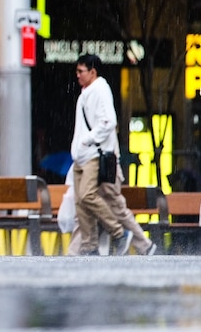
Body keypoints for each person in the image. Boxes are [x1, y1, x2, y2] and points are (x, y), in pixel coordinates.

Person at [70, 54, 133, 256]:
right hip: (82, 155)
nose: (77, 75)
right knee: (80, 201)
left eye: (81, 71)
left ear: (93, 72)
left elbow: (109, 122)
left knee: (87, 195)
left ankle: (118, 233)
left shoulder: (100, 90)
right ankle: (89, 246)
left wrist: (88, 139)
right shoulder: (86, 92)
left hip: (92, 154)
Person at [61, 164, 157, 256]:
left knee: (113, 207)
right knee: (85, 208)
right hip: (86, 161)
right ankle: (84, 249)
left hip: (101, 161)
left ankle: (84, 249)